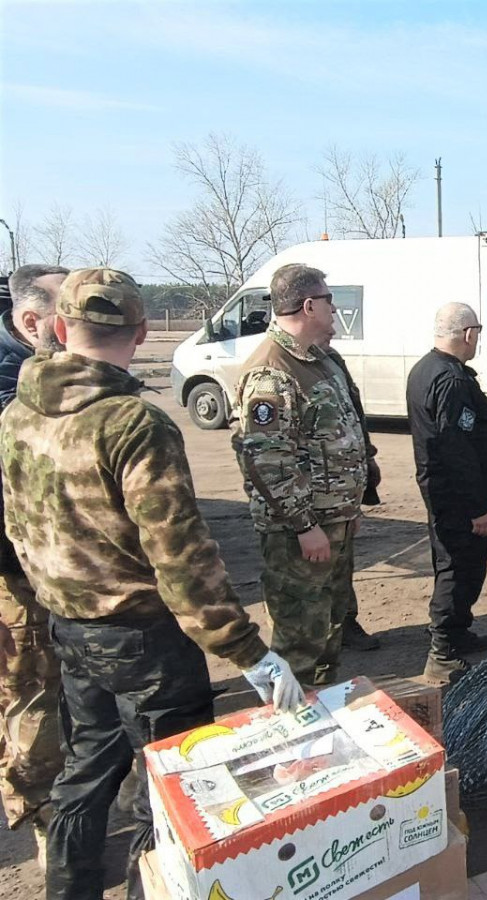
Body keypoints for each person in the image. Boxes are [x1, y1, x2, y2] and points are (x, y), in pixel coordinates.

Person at [0, 268, 301, 900]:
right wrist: (247, 651)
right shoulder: (133, 423)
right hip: (143, 636)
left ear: (58, 329)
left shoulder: (16, 416)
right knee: (173, 781)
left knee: (86, 769)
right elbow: (181, 556)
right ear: (141, 332)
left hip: (70, 628)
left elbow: (20, 526)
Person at [233, 263, 367, 688]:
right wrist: (305, 526)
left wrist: (347, 510)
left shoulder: (319, 360)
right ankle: (293, 732)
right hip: (301, 533)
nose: (334, 311)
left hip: (333, 521)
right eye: (330, 302)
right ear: (309, 306)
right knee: (299, 638)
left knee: (328, 630)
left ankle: (321, 710)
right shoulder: (272, 372)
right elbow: (267, 462)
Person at [0, 264, 68, 868]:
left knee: (72, 688)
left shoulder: (53, 375)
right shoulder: (8, 386)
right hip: (19, 577)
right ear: (32, 321)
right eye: (69, 310)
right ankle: (43, 818)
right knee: (30, 698)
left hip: (61, 569)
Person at [407, 302, 487, 683]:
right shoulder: (451, 380)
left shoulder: (426, 369)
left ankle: (458, 631)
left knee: (460, 564)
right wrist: (479, 507)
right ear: (468, 334)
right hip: (457, 496)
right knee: (456, 568)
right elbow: (457, 448)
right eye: (477, 331)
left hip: (443, 489)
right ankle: (442, 651)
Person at [324, 349, 382, 652]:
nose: (335, 314)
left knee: (342, 561)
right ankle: (313, 637)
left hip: (342, 488)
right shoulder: (277, 364)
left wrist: (366, 457)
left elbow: (352, 413)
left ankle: (345, 622)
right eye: (327, 305)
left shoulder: (330, 359)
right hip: (309, 495)